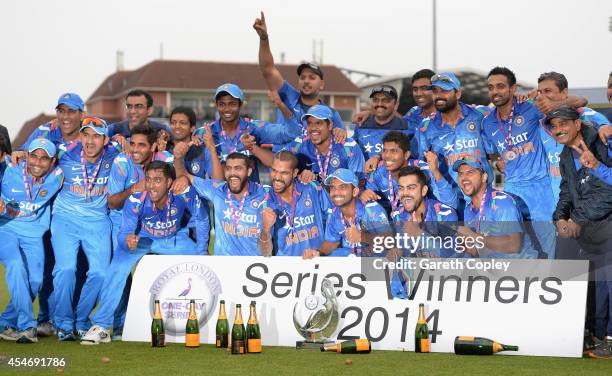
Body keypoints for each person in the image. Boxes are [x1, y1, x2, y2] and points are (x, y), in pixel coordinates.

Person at [80, 161, 207, 345]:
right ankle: (101, 326)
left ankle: (203, 321)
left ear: (169, 182)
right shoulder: (136, 198)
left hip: (174, 240)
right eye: (148, 180)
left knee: (202, 263)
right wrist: (127, 241)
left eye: (157, 180)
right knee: (116, 268)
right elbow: (124, 232)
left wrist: (202, 251)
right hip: (142, 240)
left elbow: (202, 218)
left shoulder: (183, 193)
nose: (151, 186)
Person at [547, 107, 612, 358]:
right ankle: (589, 333)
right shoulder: (565, 153)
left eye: (563, 123)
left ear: (577, 124)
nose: (558, 129)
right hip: (588, 229)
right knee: (588, 284)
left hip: (605, 224)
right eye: (554, 126)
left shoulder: (602, 141)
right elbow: (566, 191)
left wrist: (577, 219)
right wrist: (560, 218)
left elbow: (608, 193)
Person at [50, 117, 121, 341]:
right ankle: (62, 323)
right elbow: (35, 154)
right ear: (80, 136)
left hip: (98, 221)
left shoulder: (115, 154)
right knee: (66, 270)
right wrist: (21, 151)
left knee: (100, 273)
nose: (90, 141)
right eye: (86, 135)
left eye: (96, 136)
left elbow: (137, 148)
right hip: (65, 219)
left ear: (105, 140)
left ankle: (80, 321)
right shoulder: (63, 153)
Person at [482, 67, 558, 257]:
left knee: (548, 242)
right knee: (516, 245)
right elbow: (494, 158)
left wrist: (538, 96)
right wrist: (499, 189)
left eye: (500, 86)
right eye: (491, 87)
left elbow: (577, 104)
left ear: (513, 88)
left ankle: (552, 282)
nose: (495, 92)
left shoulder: (530, 108)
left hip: (538, 187)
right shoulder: (488, 122)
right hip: (510, 190)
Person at [0, 139, 63, 343]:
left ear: (52, 161)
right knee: (16, 267)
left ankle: (5, 322)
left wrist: (117, 142)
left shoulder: (58, 176)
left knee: (35, 281)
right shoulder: (12, 169)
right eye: (34, 156)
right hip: (6, 229)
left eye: (44, 158)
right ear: (26, 155)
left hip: (34, 234)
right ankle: (28, 326)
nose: (37, 162)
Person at [253, 11, 347, 140]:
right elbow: (268, 69)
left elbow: (341, 141)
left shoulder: (331, 113)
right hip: (281, 159)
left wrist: (342, 133)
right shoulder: (287, 95)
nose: (306, 81)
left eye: (312, 77)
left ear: (322, 84)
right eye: (302, 77)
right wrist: (264, 39)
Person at [192, 83, 302, 182]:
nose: (227, 109)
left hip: (252, 199)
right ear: (216, 105)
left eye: (232, 104)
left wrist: (281, 105)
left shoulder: (254, 128)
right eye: (222, 104)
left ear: (241, 105)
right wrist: (193, 137)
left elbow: (292, 133)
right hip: (221, 199)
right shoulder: (204, 133)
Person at [417, 72, 493, 209]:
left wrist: (524, 99)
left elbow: (507, 117)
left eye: (444, 91)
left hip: (484, 197)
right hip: (451, 202)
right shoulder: (426, 127)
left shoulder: (481, 114)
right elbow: (423, 165)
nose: (438, 96)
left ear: (458, 93)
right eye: (435, 91)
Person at [536, 71, 611, 201]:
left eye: (547, 91)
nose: (542, 97)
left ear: (564, 93)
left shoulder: (584, 115)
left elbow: (604, 127)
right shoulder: (540, 124)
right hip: (559, 202)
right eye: (540, 92)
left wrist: (603, 125)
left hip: (592, 203)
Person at [390, 166, 459, 299]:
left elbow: (449, 254)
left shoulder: (445, 214)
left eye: (411, 188)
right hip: (417, 278)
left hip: (446, 283)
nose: (405, 193)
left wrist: (420, 234)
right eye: (401, 188)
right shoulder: (397, 215)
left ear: (424, 190)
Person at [186, 152, 271, 255]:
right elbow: (187, 177)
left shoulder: (265, 194)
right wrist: (178, 159)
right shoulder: (218, 189)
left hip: (252, 265)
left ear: (249, 171)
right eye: (228, 168)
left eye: (238, 168)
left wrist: (266, 227)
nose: (232, 173)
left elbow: (266, 252)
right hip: (223, 265)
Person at [453, 156, 537, 259]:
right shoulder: (468, 210)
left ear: (484, 177)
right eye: (460, 174)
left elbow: (514, 245)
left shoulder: (501, 201)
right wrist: (464, 244)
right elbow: (477, 251)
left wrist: (474, 236)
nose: (464, 177)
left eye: (470, 172)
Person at [361, 131, 457, 213]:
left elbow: (451, 204)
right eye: (385, 151)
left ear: (406, 155)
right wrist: (363, 194)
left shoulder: (423, 170)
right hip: (396, 221)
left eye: (393, 151)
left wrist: (435, 171)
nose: (387, 156)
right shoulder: (379, 173)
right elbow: (361, 192)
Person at [302, 169, 390, 258]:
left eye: (342, 187)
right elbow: (332, 242)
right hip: (350, 265)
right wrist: (318, 252)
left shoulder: (371, 209)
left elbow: (389, 241)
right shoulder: (334, 214)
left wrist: (362, 236)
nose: (336, 192)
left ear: (355, 192)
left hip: (374, 264)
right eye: (333, 187)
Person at [258, 151, 332, 256]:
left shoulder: (311, 188)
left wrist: (317, 177)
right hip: (286, 269)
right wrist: (265, 228)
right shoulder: (266, 201)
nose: (277, 177)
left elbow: (337, 211)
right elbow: (265, 253)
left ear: (294, 173)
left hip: (317, 263)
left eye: (284, 173)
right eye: (274, 170)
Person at [279, 105, 365, 184]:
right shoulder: (299, 144)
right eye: (309, 123)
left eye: (318, 123)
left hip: (339, 198)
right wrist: (298, 174)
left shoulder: (348, 146)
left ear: (330, 125)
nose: (312, 128)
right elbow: (278, 163)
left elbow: (358, 183)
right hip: (309, 199)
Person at [353, 85, 412, 163]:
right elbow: (352, 153)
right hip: (364, 174)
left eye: (385, 100)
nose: (379, 104)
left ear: (396, 104)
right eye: (375, 100)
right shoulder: (361, 125)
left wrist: (379, 158)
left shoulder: (407, 127)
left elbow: (413, 158)